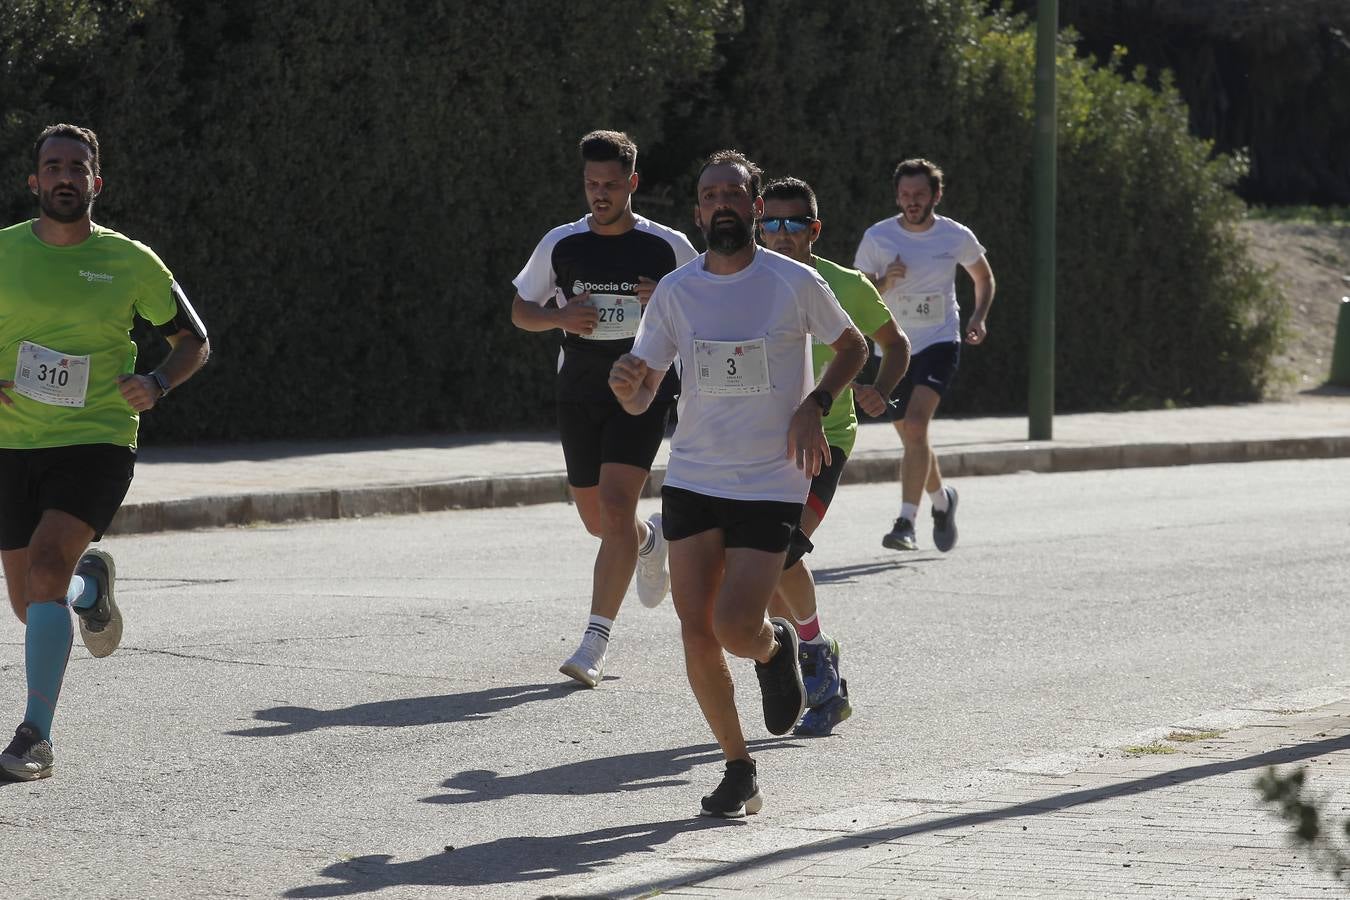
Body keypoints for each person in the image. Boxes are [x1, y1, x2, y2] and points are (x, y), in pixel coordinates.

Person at [609, 151, 867, 817]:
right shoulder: (677, 290)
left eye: (734, 192)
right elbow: (643, 387)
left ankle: (775, 646)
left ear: (754, 205)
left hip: (770, 478)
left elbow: (853, 347)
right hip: (694, 473)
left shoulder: (792, 280)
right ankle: (738, 766)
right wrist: (629, 385)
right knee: (695, 630)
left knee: (733, 623)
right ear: (697, 212)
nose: (722, 202)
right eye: (709, 194)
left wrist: (815, 404)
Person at [0, 124, 210, 780]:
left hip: (96, 437)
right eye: (53, 166)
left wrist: (155, 381)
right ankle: (91, 589)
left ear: (97, 182)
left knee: (43, 566)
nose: (65, 176)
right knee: (34, 598)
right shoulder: (3, 252)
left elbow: (194, 340)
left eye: (77, 166)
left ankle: (35, 736)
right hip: (11, 441)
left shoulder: (131, 261)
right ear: (33, 181)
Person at [511, 130, 697, 688]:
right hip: (580, 389)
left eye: (611, 185)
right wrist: (559, 319)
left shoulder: (669, 247)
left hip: (644, 387)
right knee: (601, 521)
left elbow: (710, 308)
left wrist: (663, 299)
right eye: (591, 184)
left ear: (632, 184)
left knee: (616, 506)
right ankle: (649, 540)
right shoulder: (562, 243)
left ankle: (595, 641)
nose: (599, 194)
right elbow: (522, 308)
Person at [758, 177, 910, 737]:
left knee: (779, 551)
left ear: (813, 230)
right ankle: (797, 650)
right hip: (757, 445)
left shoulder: (845, 286)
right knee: (761, 566)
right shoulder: (746, 281)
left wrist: (881, 390)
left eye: (791, 224)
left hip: (826, 438)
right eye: (768, 223)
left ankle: (816, 659)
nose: (779, 235)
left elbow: (895, 344)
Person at [854, 158, 994, 553]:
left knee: (915, 427)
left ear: (936, 195)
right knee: (913, 438)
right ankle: (942, 501)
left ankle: (905, 522)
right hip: (893, 348)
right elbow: (857, 294)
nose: (911, 201)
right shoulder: (878, 237)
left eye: (919, 194)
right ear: (897, 196)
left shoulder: (954, 235)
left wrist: (979, 317)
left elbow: (983, 276)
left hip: (939, 341)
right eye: (905, 195)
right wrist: (886, 280)